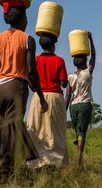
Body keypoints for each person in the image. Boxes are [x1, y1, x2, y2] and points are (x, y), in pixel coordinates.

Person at [0, 0, 48, 179]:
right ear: (23, 19)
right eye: (26, 18)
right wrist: (41, 96)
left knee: (7, 125)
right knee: (13, 125)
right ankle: (5, 172)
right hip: (16, 87)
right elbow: (31, 72)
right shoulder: (27, 39)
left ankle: (8, 169)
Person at [26, 33, 69, 169]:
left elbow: (30, 81)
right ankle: (56, 163)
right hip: (55, 97)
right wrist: (65, 81)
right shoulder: (59, 60)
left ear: (41, 45)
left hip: (38, 97)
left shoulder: (35, 60)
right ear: (53, 45)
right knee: (56, 130)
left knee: (36, 128)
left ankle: (36, 163)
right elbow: (63, 83)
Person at [65, 32, 95, 167]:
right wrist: (90, 40)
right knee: (82, 131)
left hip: (73, 106)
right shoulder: (87, 73)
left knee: (77, 130)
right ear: (85, 61)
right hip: (84, 105)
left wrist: (64, 110)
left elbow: (67, 95)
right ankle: (79, 157)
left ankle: (78, 149)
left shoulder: (70, 77)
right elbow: (94, 57)